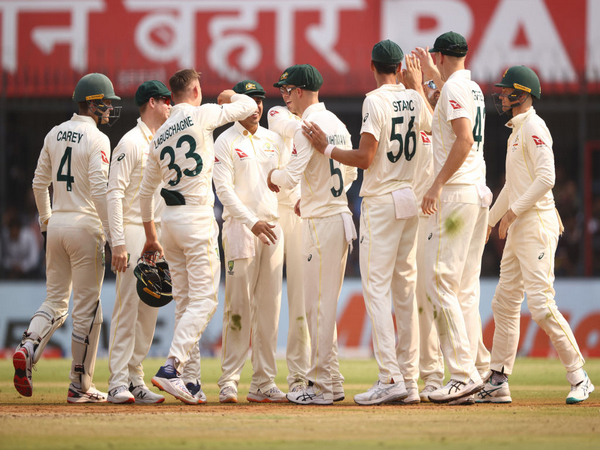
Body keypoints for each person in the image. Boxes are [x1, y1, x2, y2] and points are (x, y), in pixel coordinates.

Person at [303, 40, 432, 405]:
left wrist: (326, 148)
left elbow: (364, 157)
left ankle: (390, 377)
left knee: (376, 290)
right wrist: (418, 85)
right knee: (405, 292)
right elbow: (429, 126)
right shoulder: (414, 96)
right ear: (400, 67)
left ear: (372, 66)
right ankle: (409, 380)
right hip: (408, 196)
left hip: (382, 199)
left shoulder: (374, 100)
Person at [138, 69, 255, 405]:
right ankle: (171, 368)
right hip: (196, 218)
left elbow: (146, 194)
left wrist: (150, 236)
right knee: (205, 300)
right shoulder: (203, 114)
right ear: (195, 90)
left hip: (168, 223)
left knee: (186, 303)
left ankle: (190, 382)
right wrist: (229, 96)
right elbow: (247, 105)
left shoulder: (158, 136)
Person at [477, 66, 593, 404]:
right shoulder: (516, 132)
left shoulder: (534, 127)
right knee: (505, 301)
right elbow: (512, 188)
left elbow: (547, 178)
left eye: (505, 90)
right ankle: (498, 380)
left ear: (521, 93)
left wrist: (512, 214)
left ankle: (579, 377)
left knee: (541, 306)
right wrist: (489, 221)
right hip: (520, 227)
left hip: (537, 224)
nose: (499, 95)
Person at [13, 73, 120, 403]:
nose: (109, 109)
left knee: (55, 302)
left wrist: (47, 224)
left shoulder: (54, 133)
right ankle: (80, 386)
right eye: (105, 102)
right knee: (88, 310)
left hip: (58, 224)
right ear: (91, 103)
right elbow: (102, 191)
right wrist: (115, 238)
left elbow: (37, 183)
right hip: (86, 227)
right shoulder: (97, 138)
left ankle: (29, 344)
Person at [268, 64, 357, 405]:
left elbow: (289, 177)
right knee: (324, 306)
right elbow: (349, 172)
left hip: (321, 224)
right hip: (336, 216)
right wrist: (317, 194)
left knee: (317, 307)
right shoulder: (337, 124)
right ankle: (332, 381)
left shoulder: (308, 127)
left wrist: (270, 177)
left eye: (288, 90)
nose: (285, 96)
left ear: (301, 91)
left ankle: (319, 385)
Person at [413, 32, 492, 403]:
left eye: (434, 58)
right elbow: (444, 102)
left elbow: (462, 139)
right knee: (463, 289)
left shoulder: (456, 91)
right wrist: (430, 78)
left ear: (440, 55)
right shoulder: (469, 87)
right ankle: (475, 371)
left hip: (458, 194)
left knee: (440, 281)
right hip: (476, 192)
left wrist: (436, 185)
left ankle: (462, 375)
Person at [214, 79, 287, 403]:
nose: (257, 106)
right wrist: (250, 221)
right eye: (250, 100)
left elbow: (285, 179)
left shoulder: (273, 139)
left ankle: (263, 382)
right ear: (238, 106)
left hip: (272, 227)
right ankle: (229, 380)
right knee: (238, 307)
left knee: (270, 309)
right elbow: (224, 191)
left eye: (260, 100)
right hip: (241, 228)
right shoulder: (225, 141)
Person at [106, 80, 172, 404]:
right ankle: (117, 381)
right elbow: (114, 192)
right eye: (165, 100)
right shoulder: (131, 142)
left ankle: (135, 379)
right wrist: (117, 242)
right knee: (127, 308)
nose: (170, 106)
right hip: (133, 230)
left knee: (150, 307)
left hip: (154, 233)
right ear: (150, 103)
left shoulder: (161, 141)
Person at [267, 92, 311, 395]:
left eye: (290, 89)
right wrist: (313, 126)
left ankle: (299, 377)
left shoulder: (317, 121)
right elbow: (291, 129)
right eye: (282, 89)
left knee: (301, 299)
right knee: (268, 300)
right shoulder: (276, 113)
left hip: (300, 211)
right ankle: (263, 379)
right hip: (272, 210)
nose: (285, 95)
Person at [412, 78, 443, 402]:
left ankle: (437, 375)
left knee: (434, 297)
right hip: (411, 219)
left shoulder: (443, 127)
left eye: (435, 90)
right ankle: (420, 374)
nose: (432, 95)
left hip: (435, 218)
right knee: (415, 299)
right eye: (428, 90)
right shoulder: (413, 122)